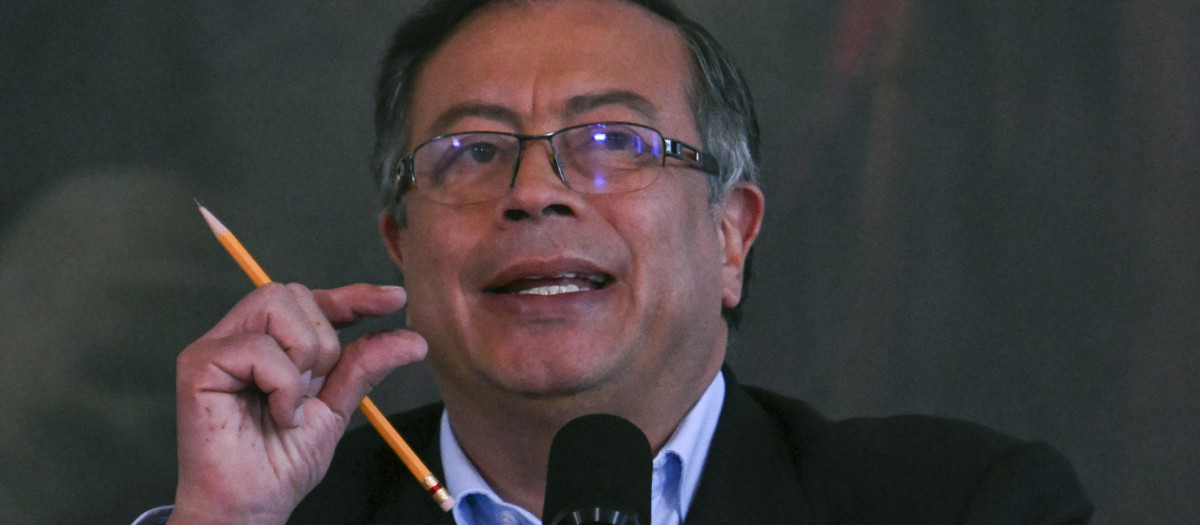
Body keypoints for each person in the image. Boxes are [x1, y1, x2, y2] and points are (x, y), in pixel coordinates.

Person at [140, 0, 1093, 523]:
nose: (534, 190)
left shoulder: (964, 507)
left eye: (613, 144)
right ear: (402, 248)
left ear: (731, 236)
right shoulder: (281, 522)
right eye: (473, 151)